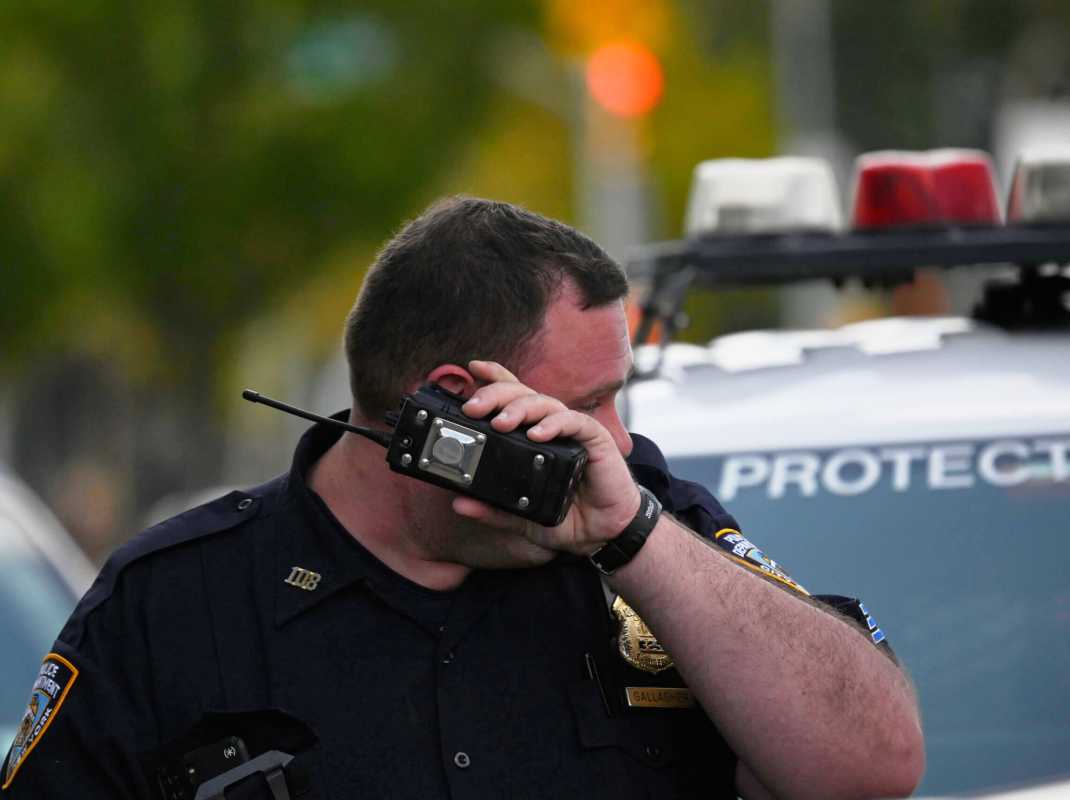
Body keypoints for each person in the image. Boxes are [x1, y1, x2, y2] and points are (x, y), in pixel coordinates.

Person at [2, 197, 924, 799]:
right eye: (586, 404)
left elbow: (875, 768)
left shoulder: (648, 527)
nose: (622, 439)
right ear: (454, 404)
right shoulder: (172, 605)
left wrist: (637, 541)